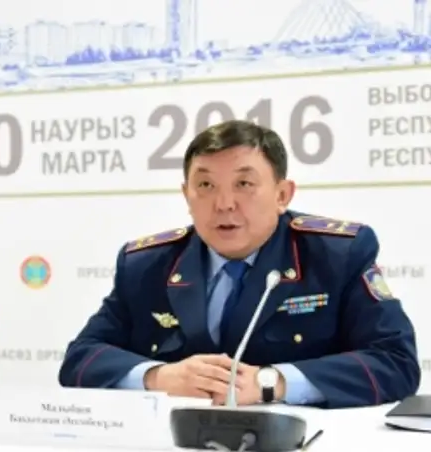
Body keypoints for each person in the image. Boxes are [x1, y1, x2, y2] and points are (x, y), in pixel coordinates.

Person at [58, 120, 420, 409]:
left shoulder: (336, 254)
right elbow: (81, 359)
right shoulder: (146, 265)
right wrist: (158, 377)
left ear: (282, 194)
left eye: (244, 183)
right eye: (205, 185)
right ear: (186, 195)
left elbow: (395, 363)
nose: (224, 204)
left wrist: (271, 383)